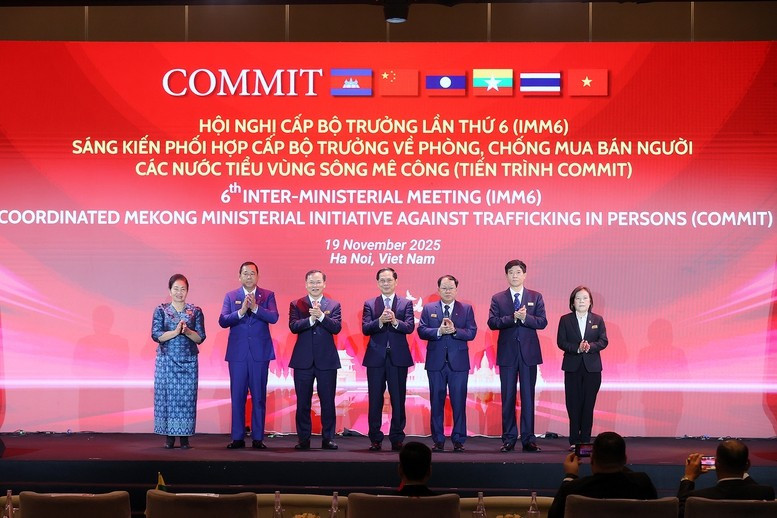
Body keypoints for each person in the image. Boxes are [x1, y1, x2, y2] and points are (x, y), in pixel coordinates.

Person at [487, 259, 548, 452]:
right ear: (506, 276)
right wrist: (512, 318)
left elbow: (542, 322)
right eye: (511, 272)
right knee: (508, 396)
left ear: (525, 275)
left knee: (528, 397)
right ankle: (509, 437)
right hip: (507, 354)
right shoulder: (498, 298)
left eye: (518, 272)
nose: (515, 275)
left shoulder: (535, 297)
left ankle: (529, 438)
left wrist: (525, 318)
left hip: (529, 354)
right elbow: (492, 322)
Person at [218, 261, 279, 449]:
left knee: (259, 397)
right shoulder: (231, 296)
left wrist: (255, 309)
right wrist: (242, 311)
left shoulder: (267, 295)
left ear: (257, 276)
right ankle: (237, 437)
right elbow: (223, 321)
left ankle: (258, 438)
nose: (249, 276)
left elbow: (274, 317)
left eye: (252, 273)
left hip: (259, 355)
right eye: (245, 273)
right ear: (239, 276)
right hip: (238, 355)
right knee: (237, 396)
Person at [417, 275, 477, 453]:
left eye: (451, 288)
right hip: (436, 363)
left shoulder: (466, 308)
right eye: (444, 288)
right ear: (438, 290)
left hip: (458, 364)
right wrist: (438, 331)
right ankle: (438, 440)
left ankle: (459, 440)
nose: (448, 291)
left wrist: (455, 331)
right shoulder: (429, 309)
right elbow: (421, 330)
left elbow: (472, 332)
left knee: (459, 402)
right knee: (436, 402)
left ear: (456, 290)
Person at [362, 267, 415, 451]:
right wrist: (379, 322)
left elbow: (409, 327)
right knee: (375, 399)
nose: (386, 283)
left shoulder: (405, 303)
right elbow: (365, 328)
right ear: (378, 283)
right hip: (376, 358)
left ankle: (397, 437)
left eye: (389, 280)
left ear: (396, 282)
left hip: (398, 358)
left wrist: (393, 322)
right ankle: (375, 438)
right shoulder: (370, 303)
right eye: (382, 280)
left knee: (398, 399)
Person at [288, 269, 342, 451]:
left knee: (328, 401)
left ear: (324, 284)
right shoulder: (297, 304)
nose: (315, 286)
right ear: (306, 284)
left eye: (318, 282)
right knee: (303, 402)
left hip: (326, 361)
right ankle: (304, 439)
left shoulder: (333, 305)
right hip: (303, 361)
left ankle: (328, 438)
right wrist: (310, 319)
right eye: (311, 282)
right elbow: (293, 326)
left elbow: (336, 328)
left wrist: (321, 316)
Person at [151, 274, 205, 449]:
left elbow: (200, 338)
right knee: (168, 399)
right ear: (169, 290)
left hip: (188, 361)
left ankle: (184, 438)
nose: (179, 292)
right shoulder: (161, 310)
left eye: (183, 289)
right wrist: (175, 332)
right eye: (176, 289)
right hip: (167, 361)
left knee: (186, 399)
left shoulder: (195, 311)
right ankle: (169, 437)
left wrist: (187, 331)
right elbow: (156, 335)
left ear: (187, 291)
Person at [547, 431, 657, 518]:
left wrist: (570, 476)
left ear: (592, 459)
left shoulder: (573, 489)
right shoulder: (642, 483)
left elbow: (554, 515)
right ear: (625, 460)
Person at [557, 286, 608, 449]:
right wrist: (577, 348)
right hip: (572, 367)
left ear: (590, 301)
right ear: (572, 302)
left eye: (585, 298)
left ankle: (585, 439)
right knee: (573, 403)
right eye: (578, 298)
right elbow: (561, 342)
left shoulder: (598, 320)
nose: (581, 301)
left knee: (588, 404)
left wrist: (590, 347)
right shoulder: (565, 320)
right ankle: (574, 439)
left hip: (592, 369)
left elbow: (603, 341)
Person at [678, 439, 775, 517]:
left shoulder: (696, 499)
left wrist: (688, 477)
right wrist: (741, 468)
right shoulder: (765, 493)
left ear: (716, 464)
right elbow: (754, 491)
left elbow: (679, 512)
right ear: (747, 465)